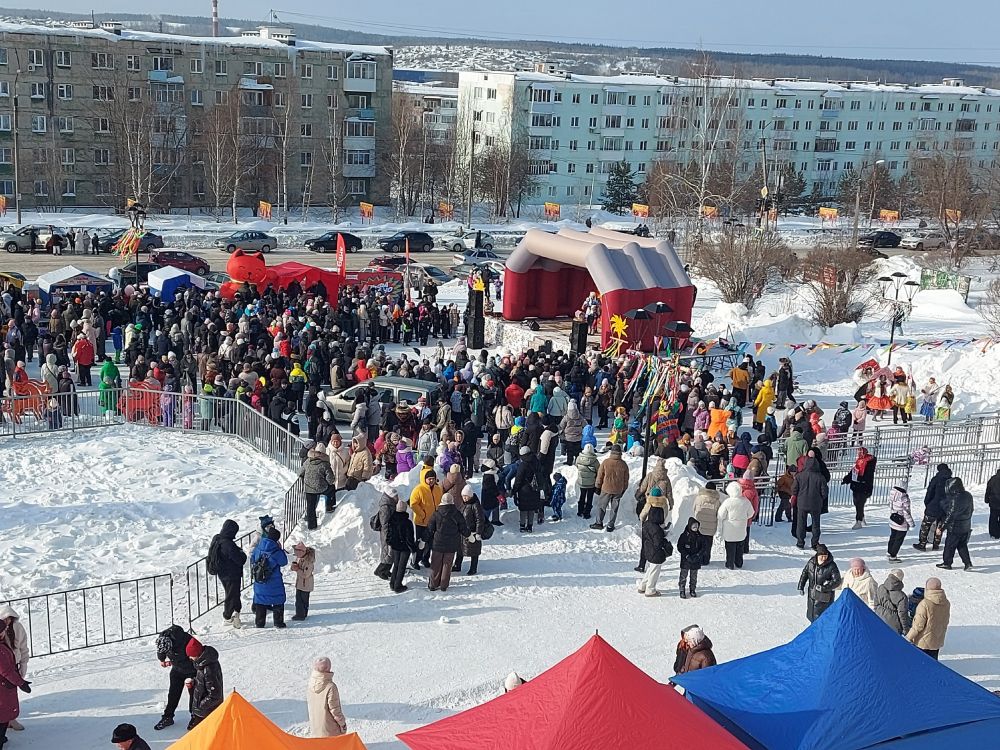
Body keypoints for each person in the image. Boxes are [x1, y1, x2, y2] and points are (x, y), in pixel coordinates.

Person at [153, 624, 196, 730]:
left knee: (195, 695)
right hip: (177, 670)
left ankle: (195, 717)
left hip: (192, 670)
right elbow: (161, 652)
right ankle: (167, 717)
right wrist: (162, 660)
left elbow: (196, 655)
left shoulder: (186, 640)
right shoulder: (162, 639)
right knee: (173, 694)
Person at [425, 493, 471, 592]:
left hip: (438, 543)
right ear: (452, 501)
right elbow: (463, 528)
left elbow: (429, 529)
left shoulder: (436, 513)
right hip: (452, 544)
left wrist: (423, 540)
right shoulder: (457, 514)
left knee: (435, 564)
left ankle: (433, 584)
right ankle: (444, 585)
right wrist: (469, 535)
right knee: (447, 564)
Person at [207, 520, 247, 628]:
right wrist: (242, 553)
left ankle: (236, 610)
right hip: (231, 574)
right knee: (231, 595)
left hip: (222, 572)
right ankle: (227, 617)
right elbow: (240, 560)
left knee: (232, 593)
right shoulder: (228, 544)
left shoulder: (217, 538)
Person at [250, 527, 288, 628]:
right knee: (278, 600)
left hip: (260, 581)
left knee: (260, 600)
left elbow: (252, 559)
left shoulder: (258, 548)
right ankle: (278, 623)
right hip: (274, 582)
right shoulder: (276, 551)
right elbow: (284, 562)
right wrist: (280, 549)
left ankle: (259, 623)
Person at [906, 577, 950, 659]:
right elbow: (945, 620)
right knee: (933, 662)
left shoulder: (925, 604)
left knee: (920, 662)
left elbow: (918, 625)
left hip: (922, 642)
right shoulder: (946, 603)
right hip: (937, 640)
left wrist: (908, 637)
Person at [797, 544, 842, 622]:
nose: (824, 558)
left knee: (823, 618)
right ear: (818, 555)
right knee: (812, 615)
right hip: (812, 594)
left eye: (825, 556)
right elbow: (805, 573)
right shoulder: (811, 562)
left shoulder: (832, 566)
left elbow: (837, 581)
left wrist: (824, 588)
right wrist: (801, 586)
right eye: (822, 556)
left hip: (825, 597)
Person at [938, 476, 974, 571]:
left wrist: (941, 528)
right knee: (962, 545)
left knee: (950, 546)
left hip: (955, 527)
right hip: (966, 525)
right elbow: (971, 509)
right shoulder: (968, 495)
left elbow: (951, 515)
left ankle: (947, 563)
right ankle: (967, 563)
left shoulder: (955, 499)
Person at [792, 456, 828, 550]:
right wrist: (820, 498)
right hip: (815, 504)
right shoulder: (820, 477)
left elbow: (794, 490)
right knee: (816, 524)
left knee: (801, 523)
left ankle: (800, 542)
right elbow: (824, 492)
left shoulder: (799, 476)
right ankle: (815, 543)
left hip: (802, 503)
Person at [591, 444, 629, 532]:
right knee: (614, 508)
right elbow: (626, 479)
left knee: (602, 506)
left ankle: (599, 523)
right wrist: (624, 489)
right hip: (618, 490)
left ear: (611, 452)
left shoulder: (606, 462)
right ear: (620, 453)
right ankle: (610, 525)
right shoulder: (623, 464)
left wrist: (597, 486)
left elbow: (600, 476)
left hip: (606, 489)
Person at [717, 482, 754, 570]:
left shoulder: (727, 502)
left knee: (730, 547)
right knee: (740, 547)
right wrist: (743, 518)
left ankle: (730, 563)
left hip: (729, 529)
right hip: (741, 528)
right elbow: (751, 513)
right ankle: (739, 563)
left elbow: (721, 515)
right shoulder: (745, 501)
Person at [307, 657, 347, 737]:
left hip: (315, 727)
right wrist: (342, 724)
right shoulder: (330, 687)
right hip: (330, 730)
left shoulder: (310, 684)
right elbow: (335, 710)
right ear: (328, 668)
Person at [914, 463, 950, 552]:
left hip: (933, 506)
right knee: (940, 526)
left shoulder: (936, 479)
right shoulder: (951, 481)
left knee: (926, 525)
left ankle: (922, 544)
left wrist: (927, 503)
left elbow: (929, 492)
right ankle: (936, 544)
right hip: (945, 508)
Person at [300, 447, 337, 530]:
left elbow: (299, 472)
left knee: (310, 507)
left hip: (309, 488)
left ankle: (311, 526)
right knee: (331, 488)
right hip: (321, 487)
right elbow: (330, 480)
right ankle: (329, 506)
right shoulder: (324, 464)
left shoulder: (307, 462)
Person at [637, 505, 669, 597]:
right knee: (654, 571)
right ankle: (650, 590)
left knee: (651, 569)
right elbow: (658, 542)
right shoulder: (657, 529)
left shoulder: (647, 524)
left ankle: (642, 586)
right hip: (656, 553)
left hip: (648, 550)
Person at [188, 646, 223, 730]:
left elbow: (215, 695)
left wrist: (200, 706)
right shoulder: (203, 663)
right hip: (203, 710)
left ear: (197, 654)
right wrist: (195, 682)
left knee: (201, 733)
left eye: (191, 655)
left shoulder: (208, 669)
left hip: (207, 711)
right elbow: (204, 682)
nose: (190, 658)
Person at [387, 498, 418, 593]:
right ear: (405, 509)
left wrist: (390, 543)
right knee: (402, 566)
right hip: (405, 548)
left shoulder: (391, 520)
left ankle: (392, 583)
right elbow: (409, 538)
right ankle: (398, 586)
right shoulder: (407, 522)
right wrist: (413, 548)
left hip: (395, 546)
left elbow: (389, 534)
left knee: (396, 565)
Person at [455, 484, 486, 575]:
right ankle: (457, 565)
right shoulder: (463, 504)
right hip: (463, 532)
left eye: (466, 496)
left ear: (470, 496)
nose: (464, 498)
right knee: (460, 549)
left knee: (474, 551)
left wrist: (478, 532)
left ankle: (473, 568)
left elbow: (480, 519)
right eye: (463, 496)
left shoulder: (475, 505)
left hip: (473, 532)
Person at [843, 447, 876, 529]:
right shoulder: (858, 461)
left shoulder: (869, 461)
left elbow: (869, 475)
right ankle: (861, 516)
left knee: (859, 503)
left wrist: (860, 478)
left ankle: (859, 521)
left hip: (864, 486)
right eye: (858, 452)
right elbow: (854, 471)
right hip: (856, 485)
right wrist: (847, 479)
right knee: (856, 503)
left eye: (861, 452)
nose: (859, 453)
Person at [513, 446, 542, 533]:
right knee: (531, 508)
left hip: (524, 489)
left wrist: (514, 490)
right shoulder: (536, 461)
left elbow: (518, 479)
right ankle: (530, 526)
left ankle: (522, 525)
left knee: (524, 508)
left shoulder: (523, 464)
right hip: (535, 488)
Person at [873, 569, 911, 635]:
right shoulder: (902, 596)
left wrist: (879, 612)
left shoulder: (880, 587)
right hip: (893, 624)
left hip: (879, 618)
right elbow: (902, 614)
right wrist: (906, 629)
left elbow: (875, 603)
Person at [677, 517, 705, 599]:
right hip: (686, 560)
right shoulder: (684, 536)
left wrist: (698, 555)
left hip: (695, 560)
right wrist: (686, 555)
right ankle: (682, 590)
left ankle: (692, 589)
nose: (695, 528)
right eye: (694, 527)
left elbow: (703, 547)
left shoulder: (700, 536)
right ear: (690, 526)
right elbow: (680, 547)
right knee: (683, 576)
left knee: (694, 577)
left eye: (697, 527)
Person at [886, 482, 914, 562]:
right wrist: (911, 524)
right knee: (898, 540)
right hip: (901, 523)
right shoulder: (904, 498)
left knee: (892, 537)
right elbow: (906, 513)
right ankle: (893, 556)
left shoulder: (892, 495)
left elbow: (890, 506)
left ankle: (889, 551)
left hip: (893, 519)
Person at [693, 487, 721, 566]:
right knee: (708, 544)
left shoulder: (698, 499)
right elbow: (719, 514)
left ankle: (698, 559)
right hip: (711, 527)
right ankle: (706, 560)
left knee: (699, 543)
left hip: (700, 525)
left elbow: (694, 509)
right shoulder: (717, 501)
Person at [290, 542, 315, 621]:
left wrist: (297, 569)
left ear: (302, 552)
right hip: (300, 584)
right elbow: (295, 568)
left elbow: (306, 575)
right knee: (298, 600)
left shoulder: (308, 562)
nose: (296, 555)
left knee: (303, 601)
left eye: (297, 553)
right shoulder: (300, 558)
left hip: (306, 585)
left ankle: (301, 615)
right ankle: (301, 614)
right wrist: (293, 567)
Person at [575, 444, 599, 519]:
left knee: (582, 496)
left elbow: (577, 466)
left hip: (582, 482)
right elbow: (598, 470)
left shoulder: (579, 458)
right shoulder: (595, 461)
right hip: (591, 483)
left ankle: (580, 511)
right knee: (589, 498)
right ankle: (587, 513)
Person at [987, 467, 1000, 540]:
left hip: (994, 502)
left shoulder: (993, 479)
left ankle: (993, 533)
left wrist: (986, 499)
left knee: (993, 518)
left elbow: (988, 489)